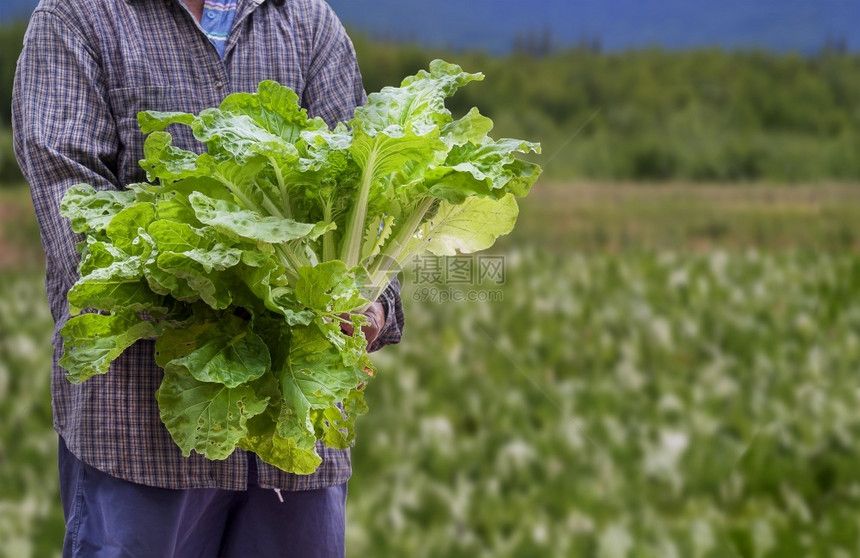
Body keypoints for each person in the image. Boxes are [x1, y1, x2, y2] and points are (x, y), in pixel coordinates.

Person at [12, 0, 404, 556]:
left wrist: (372, 304)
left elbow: (367, 192)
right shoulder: (77, 17)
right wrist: (245, 301)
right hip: (141, 441)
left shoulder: (309, 22)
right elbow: (75, 217)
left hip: (293, 444)